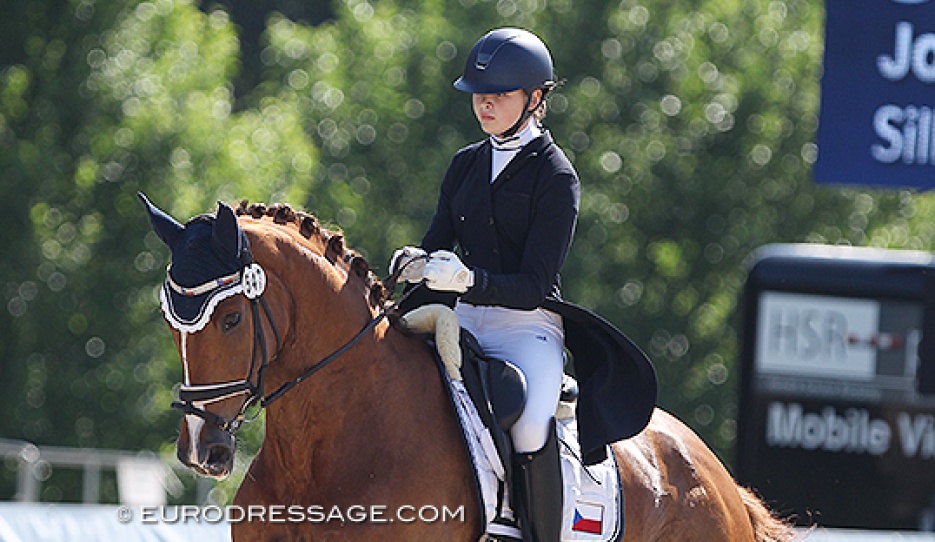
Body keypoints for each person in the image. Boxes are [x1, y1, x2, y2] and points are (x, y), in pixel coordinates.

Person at [390, 27, 579, 542]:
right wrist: (413, 268)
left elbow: (534, 285)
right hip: (461, 320)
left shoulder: (556, 177)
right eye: (479, 94)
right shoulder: (465, 164)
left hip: (528, 327)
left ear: (535, 98)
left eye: (500, 93)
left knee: (531, 424)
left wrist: (467, 279)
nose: (485, 103)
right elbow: (436, 245)